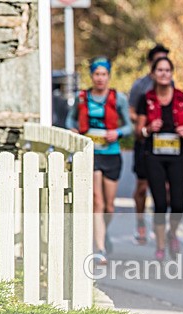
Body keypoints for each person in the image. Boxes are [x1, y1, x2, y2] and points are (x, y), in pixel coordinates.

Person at [66, 57, 132, 264]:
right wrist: (74, 130)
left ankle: (104, 232)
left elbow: (129, 126)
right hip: (91, 153)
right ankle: (100, 247)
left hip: (111, 154)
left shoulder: (118, 99)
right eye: (96, 74)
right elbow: (70, 118)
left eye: (104, 74)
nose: (100, 78)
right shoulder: (82, 98)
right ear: (92, 76)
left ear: (109, 76)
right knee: (97, 201)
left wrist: (118, 132)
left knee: (109, 206)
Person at [135, 57, 183, 261]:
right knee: (160, 203)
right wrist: (147, 129)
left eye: (167, 70)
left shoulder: (180, 97)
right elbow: (138, 131)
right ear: (153, 74)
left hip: (177, 154)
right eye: (160, 70)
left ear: (171, 74)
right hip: (154, 156)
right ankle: (161, 245)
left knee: (178, 203)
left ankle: (173, 233)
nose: (164, 74)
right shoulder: (147, 98)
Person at [128, 44, 170, 245]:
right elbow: (131, 112)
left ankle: (158, 223)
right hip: (144, 142)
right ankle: (140, 222)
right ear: (150, 64)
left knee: (165, 189)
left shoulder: (171, 85)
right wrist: (145, 122)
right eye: (157, 62)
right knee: (143, 187)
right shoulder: (140, 85)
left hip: (166, 144)